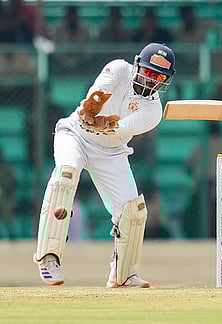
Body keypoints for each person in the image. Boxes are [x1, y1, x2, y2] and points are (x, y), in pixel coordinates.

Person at [32, 43, 176, 288]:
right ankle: (48, 257)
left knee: (133, 211)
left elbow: (122, 128)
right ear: (137, 64)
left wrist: (103, 124)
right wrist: (91, 110)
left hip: (111, 151)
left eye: (159, 77)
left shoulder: (153, 110)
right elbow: (98, 93)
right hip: (75, 135)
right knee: (66, 174)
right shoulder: (119, 69)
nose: (152, 81)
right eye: (149, 73)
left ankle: (123, 275)